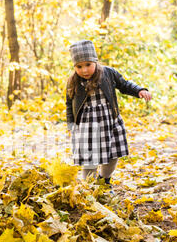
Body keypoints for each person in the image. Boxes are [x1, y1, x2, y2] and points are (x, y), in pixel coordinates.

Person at [65, 39, 152, 193]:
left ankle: (104, 181)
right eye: (79, 66)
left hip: (109, 122)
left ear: (95, 61)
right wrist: (71, 124)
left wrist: (139, 90)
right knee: (89, 160)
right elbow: (69, 104)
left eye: (88, 65)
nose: (84, 70)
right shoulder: (73, 81)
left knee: (113, 155)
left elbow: (125, 84)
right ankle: (89, 189)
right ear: (74, 66)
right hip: (86, 127)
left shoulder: (108, 73)